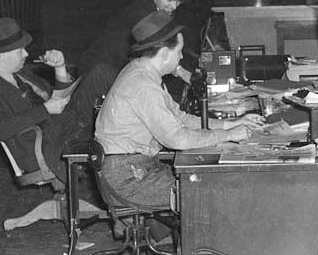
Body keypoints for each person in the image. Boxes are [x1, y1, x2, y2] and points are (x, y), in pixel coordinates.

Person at [95, 11, 262, 213]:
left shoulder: (144, 72)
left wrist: (231, 124)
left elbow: (180, 118)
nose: (181, 57)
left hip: (136, 166)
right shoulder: (144, 86)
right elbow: (178, 139)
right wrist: (228, 136)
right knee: (212, 190)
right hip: (129, 177)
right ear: (164, 53)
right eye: (179, 51)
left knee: (209, 182)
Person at [0, 16, 99, 227]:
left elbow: (58, 98)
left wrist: (60, 68)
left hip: (63, 128)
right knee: (101, 81)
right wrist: (45, 109)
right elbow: (1, 129)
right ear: (1, 54)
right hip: (43, 147)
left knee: (99, 75)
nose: (26, 54)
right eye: (20, 50)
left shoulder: (21, 74)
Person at [72, 0, 193, 110]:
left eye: (178, 2)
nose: (174, 6)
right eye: (169, 0)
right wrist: (180, 71)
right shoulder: (142, 15)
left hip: (120, 66)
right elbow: (155, 56)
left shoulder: (161, 9)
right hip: (99, 69)